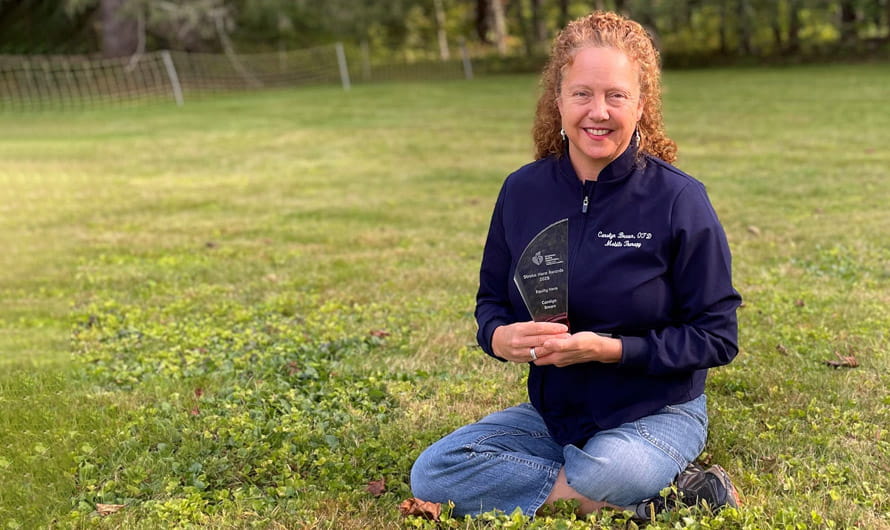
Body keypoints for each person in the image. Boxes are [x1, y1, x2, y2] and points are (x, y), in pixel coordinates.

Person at [410, 10, 743, 520]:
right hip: (559, 414)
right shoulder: (522, 192)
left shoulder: (679, 199)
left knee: (611, 469)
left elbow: (717, 336)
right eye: (582, 93)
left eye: (616, 95)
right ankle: (663, 494)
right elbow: (491, 303)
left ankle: (613, 483)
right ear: (558, 101)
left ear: (641, 104)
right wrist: (498, 338)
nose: (598, 112)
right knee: (434, 472)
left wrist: (611, 351)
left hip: (657, 409)